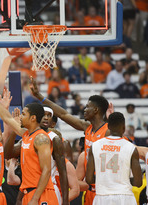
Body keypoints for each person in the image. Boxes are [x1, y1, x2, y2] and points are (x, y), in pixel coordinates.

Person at [29, 76, 111, 205]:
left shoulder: (108, 131)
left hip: (106, 190)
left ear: (95, 110)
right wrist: (39, 96)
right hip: (91, 190)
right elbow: (63, 114)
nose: (84, 109)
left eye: (87, 107)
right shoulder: (87, 128)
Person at [0, 76, 59, 205]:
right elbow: (7, 118)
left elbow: (46, 170)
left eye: (24, 114)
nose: (20, 117)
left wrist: (35, 198)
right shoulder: (26, 134)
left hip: (42, 194)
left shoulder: (41, 138)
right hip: (29, 192)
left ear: (33, 118)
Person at [86, 112, 142, 205]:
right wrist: (125, 179)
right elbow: (138, 182)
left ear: (108, 127)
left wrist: (104, 178)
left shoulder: (95, 146)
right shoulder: (131, 148)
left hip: (102, 196)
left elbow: (89, 179)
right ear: (124, 128)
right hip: (125, 197)